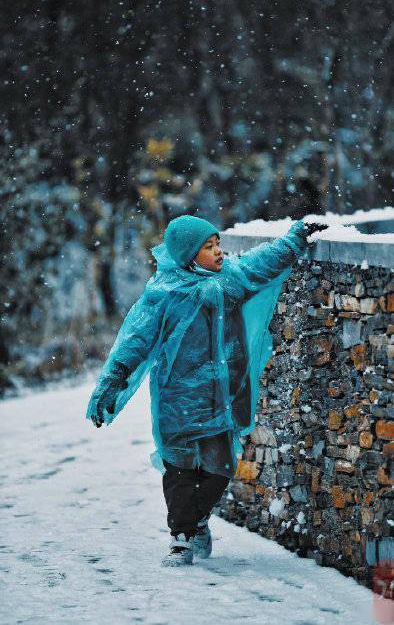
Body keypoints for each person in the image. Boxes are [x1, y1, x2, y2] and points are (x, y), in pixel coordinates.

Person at [86, 214, 320, 567]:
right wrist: (111, 383)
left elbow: (262, 263)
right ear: (187, 256)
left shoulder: (229, 280)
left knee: (220, 468)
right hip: (178, 401)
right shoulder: (164, 295)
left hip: (224, 400)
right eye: (208, 248)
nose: (219, 252)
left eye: (217, 245)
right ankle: (180, 538)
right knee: (180, 471)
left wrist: (296, 238)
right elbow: (133, 343)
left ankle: (196, 521)